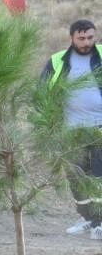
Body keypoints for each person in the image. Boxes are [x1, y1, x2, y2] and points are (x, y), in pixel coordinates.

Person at [41, 19, 102, 240]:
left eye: (90, 37)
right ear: (71, 38)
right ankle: (88, 218)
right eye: (81, 38)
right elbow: (42, 91)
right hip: (70, 130)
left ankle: (100, 221)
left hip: (100, 127)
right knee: (77, 176)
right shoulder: (57, 61)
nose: (86, 42)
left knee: (99, 175)